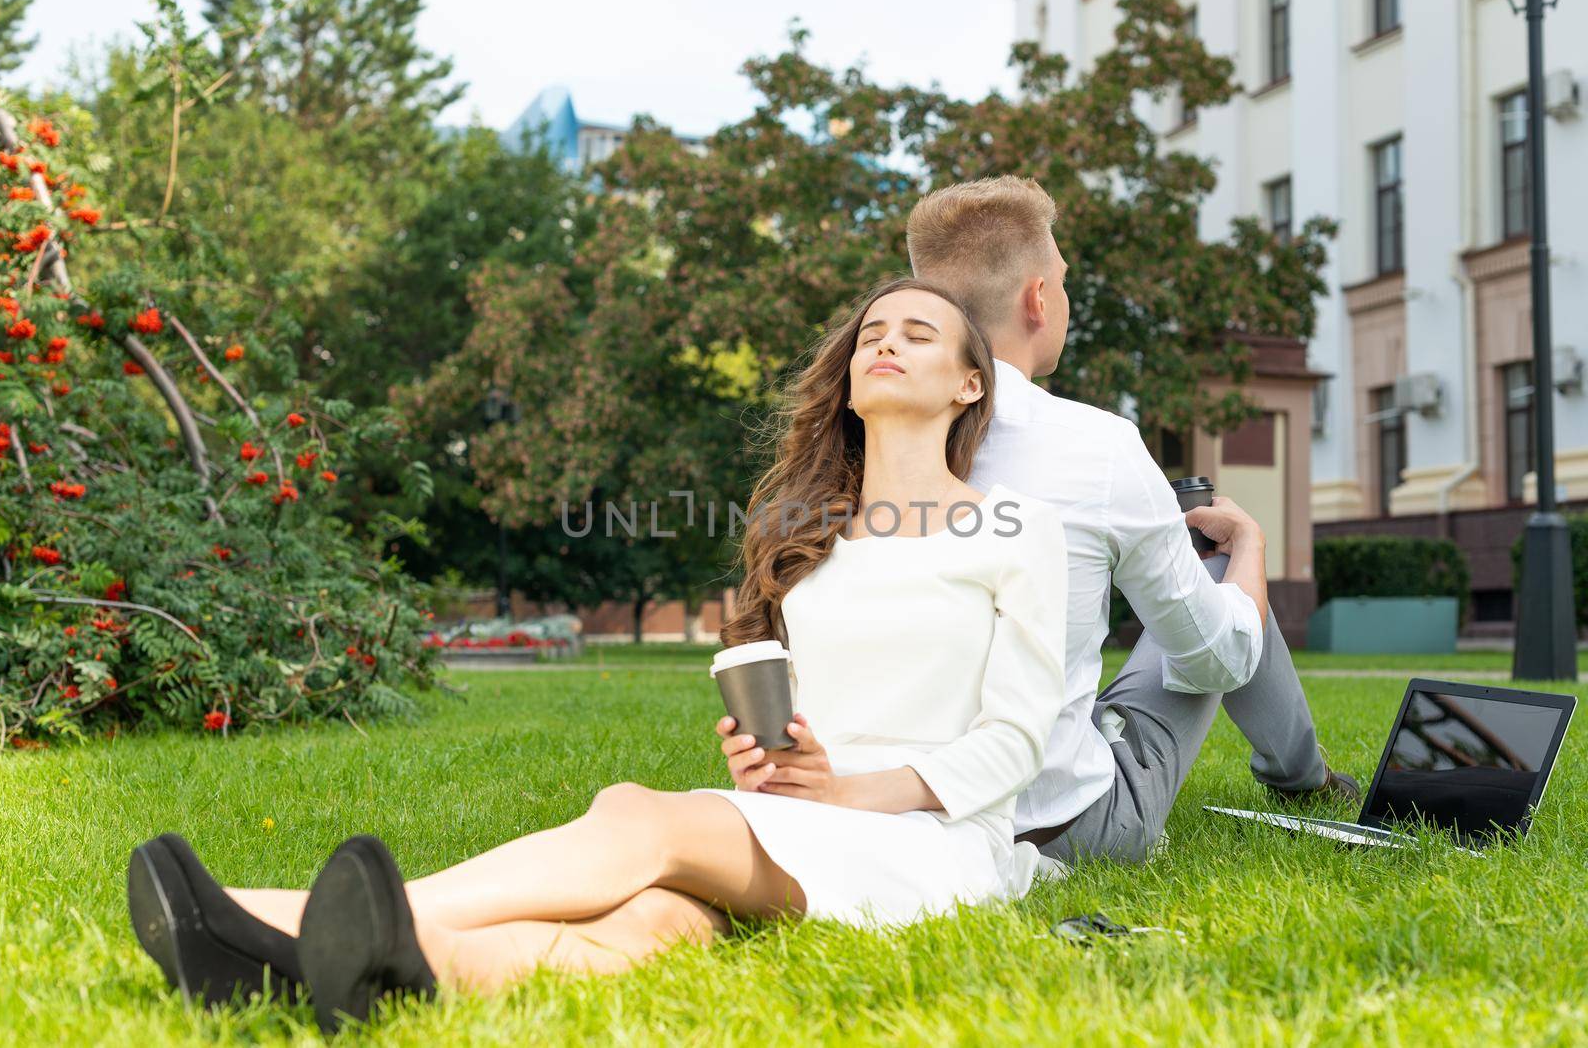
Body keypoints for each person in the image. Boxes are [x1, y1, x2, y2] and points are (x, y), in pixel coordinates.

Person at [126, 277, 1073, 1032]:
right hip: (803, 814)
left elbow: (1017, 742)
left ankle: (286, 920)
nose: (884, 341)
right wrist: (769, 762)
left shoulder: (1014, 528)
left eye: (916, 332)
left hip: (932, 839)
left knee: (639, 819)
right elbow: (812, 718)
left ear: (969, 383)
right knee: (656, 921)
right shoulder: (807, 531)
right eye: (872, 331)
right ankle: (382, 971)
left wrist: (849, 792)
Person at [897, 175, 1358, 864]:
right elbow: (1217, 657)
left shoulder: (861, 441)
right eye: (1063, 281)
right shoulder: (1094, 444)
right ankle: (1306, 779)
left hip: (901, 815)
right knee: (1222, 576)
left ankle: (1305, 775)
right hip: (1068, 830)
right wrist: (1252, 547)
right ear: (1038, 298)